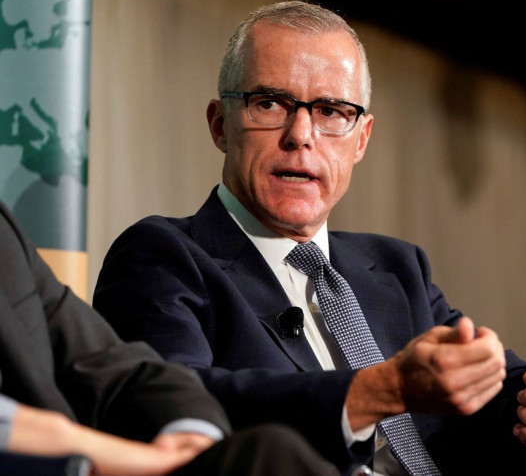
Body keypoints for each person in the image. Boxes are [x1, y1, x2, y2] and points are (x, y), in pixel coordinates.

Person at [92, 0, 526, 476]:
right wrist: (375, 391)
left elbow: (494, 395)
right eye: (270, 102)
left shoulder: (395, 267)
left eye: (332, 111)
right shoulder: (164, 257)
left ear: (361, 139)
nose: (302, 135)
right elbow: (168, 405)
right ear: (222, 125)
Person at [0, 199, 339, 476]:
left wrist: (189, 431)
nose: (302, 137)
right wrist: (78, 445)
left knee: (267, 453)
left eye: (331, 111)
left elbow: (115, 366)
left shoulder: (4, 236)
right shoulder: (160, 250)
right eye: (268, 109)